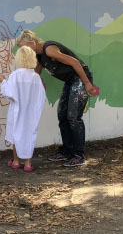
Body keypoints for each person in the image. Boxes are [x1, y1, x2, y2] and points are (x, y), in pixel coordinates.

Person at [16, 30, 97, 167]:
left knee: (74, 117)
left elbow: (75, 62)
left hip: (80, 79)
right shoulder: (39, 56)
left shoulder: (49, 49)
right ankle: (67, 151)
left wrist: (87, 83)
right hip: (70, 81)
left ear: (33, 42)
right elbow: (36, 75)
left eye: (25, 48)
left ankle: (78, 155)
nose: (25, 51)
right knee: (62, 115)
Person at [0, 45, 46, 171]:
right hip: (31, 112)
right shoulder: (36, 77)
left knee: (16, 133)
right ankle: (28, 163)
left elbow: (9, 93)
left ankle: (16, 161)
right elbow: (41, 96)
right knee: (29, 134)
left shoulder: (15, 75)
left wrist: (3, 81)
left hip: (17, 111)